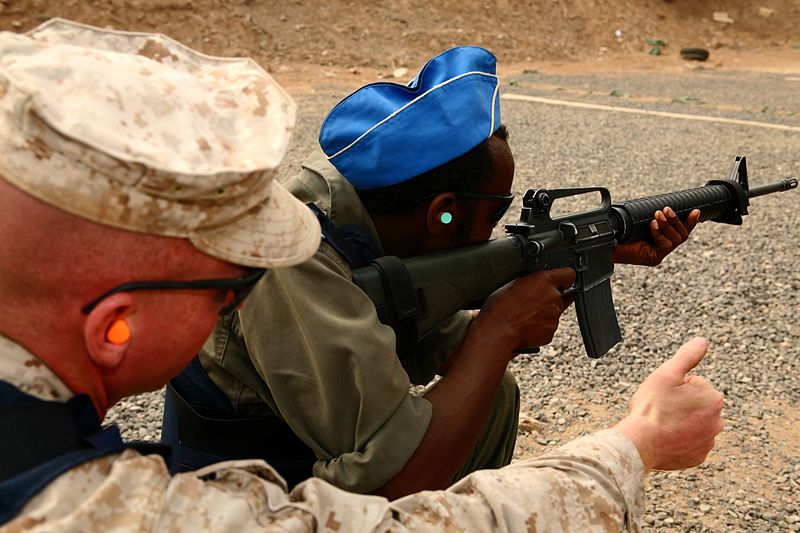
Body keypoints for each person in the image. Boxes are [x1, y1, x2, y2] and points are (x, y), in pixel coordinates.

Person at [0, 20, 723, 531]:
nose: (244, 288)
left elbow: (417, 314)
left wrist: (577, 263)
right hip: (253, 458)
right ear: (112, 328)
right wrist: (634, 443)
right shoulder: (88, 507)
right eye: (229, 286)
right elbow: (397, 492)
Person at [162, 45, 703, 498]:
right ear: (441, 213)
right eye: (493, 214)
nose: (496, 235)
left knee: (492, 394)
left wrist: (586, 261)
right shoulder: (291, 253)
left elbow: (420, 330)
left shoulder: (366, 212)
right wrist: (501, 327)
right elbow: (388, 482)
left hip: (300, 436)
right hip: (244, 487)